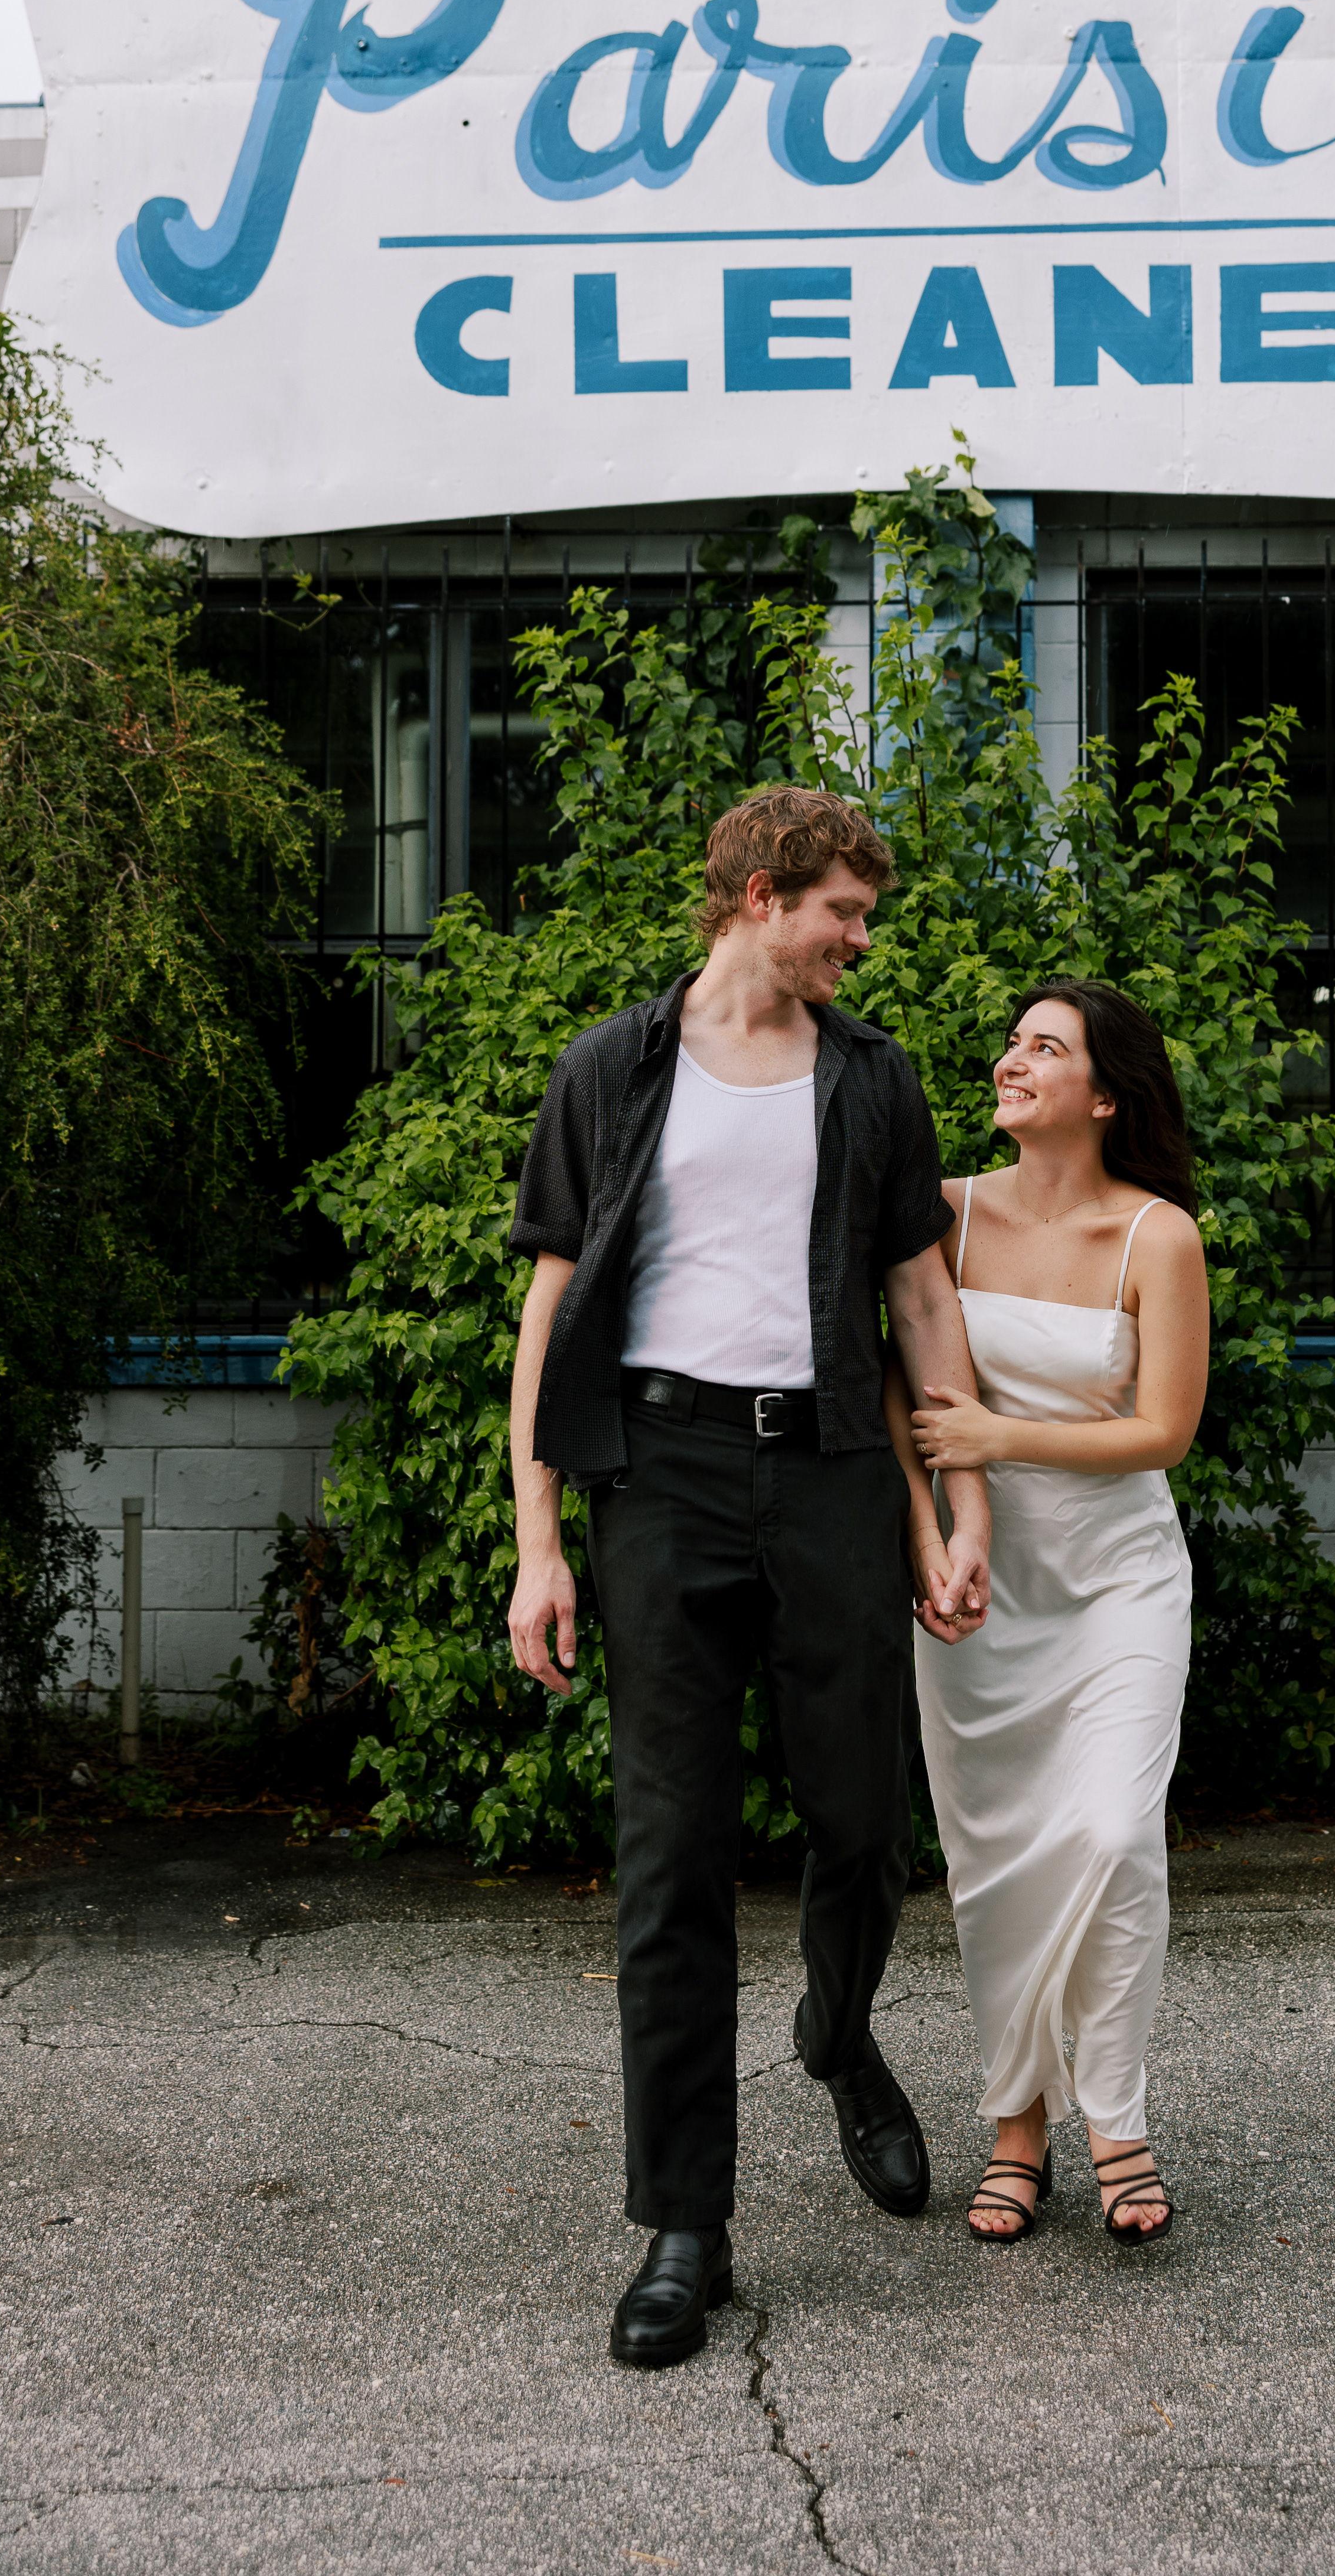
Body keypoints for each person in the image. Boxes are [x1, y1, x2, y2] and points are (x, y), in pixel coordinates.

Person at [504, 786, 996, 2371]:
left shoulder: (872, 1078)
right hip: (661, 1478)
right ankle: (686, 2227)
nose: (861, 940)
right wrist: (539, 1542)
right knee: (672, 1857)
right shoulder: (611, 1067)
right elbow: (551, 1310)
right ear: (762, 897)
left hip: (833, 1468)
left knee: (862, 1822)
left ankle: (838, 2038)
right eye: (845, 912)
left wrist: (958, 1507)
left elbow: (922, 1302)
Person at [899, 978, 1206, 2248]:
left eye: (1045, 1047)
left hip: (1119, 1584)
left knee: (1115, 1838)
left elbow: (1165, 1431)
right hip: (979, 1591)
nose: (1011, 1061)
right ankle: (1017, 2123)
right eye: (1012, 1042)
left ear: (1106, 1094)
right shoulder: (944, 1214)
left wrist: (999, 1433)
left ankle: (1117, 2119)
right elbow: (899, 1387)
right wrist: (930, 1541)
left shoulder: (1157, 1238)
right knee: (997, 1868)